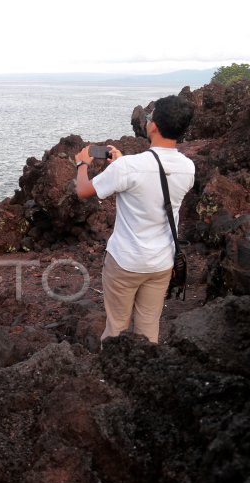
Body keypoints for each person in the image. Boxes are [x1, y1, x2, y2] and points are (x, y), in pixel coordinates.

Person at [74, 94, 195, 343]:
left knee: (116, 326)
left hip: (126, 262)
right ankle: (143, 376)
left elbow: (83, 191)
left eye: (150, 116)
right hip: (161, 263)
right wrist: (119, 164)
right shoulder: (188, 167)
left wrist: (82, 164)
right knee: (149, 327)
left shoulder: (129, 166)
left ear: (153, 126)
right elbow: (152, 181)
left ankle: (110, 375)